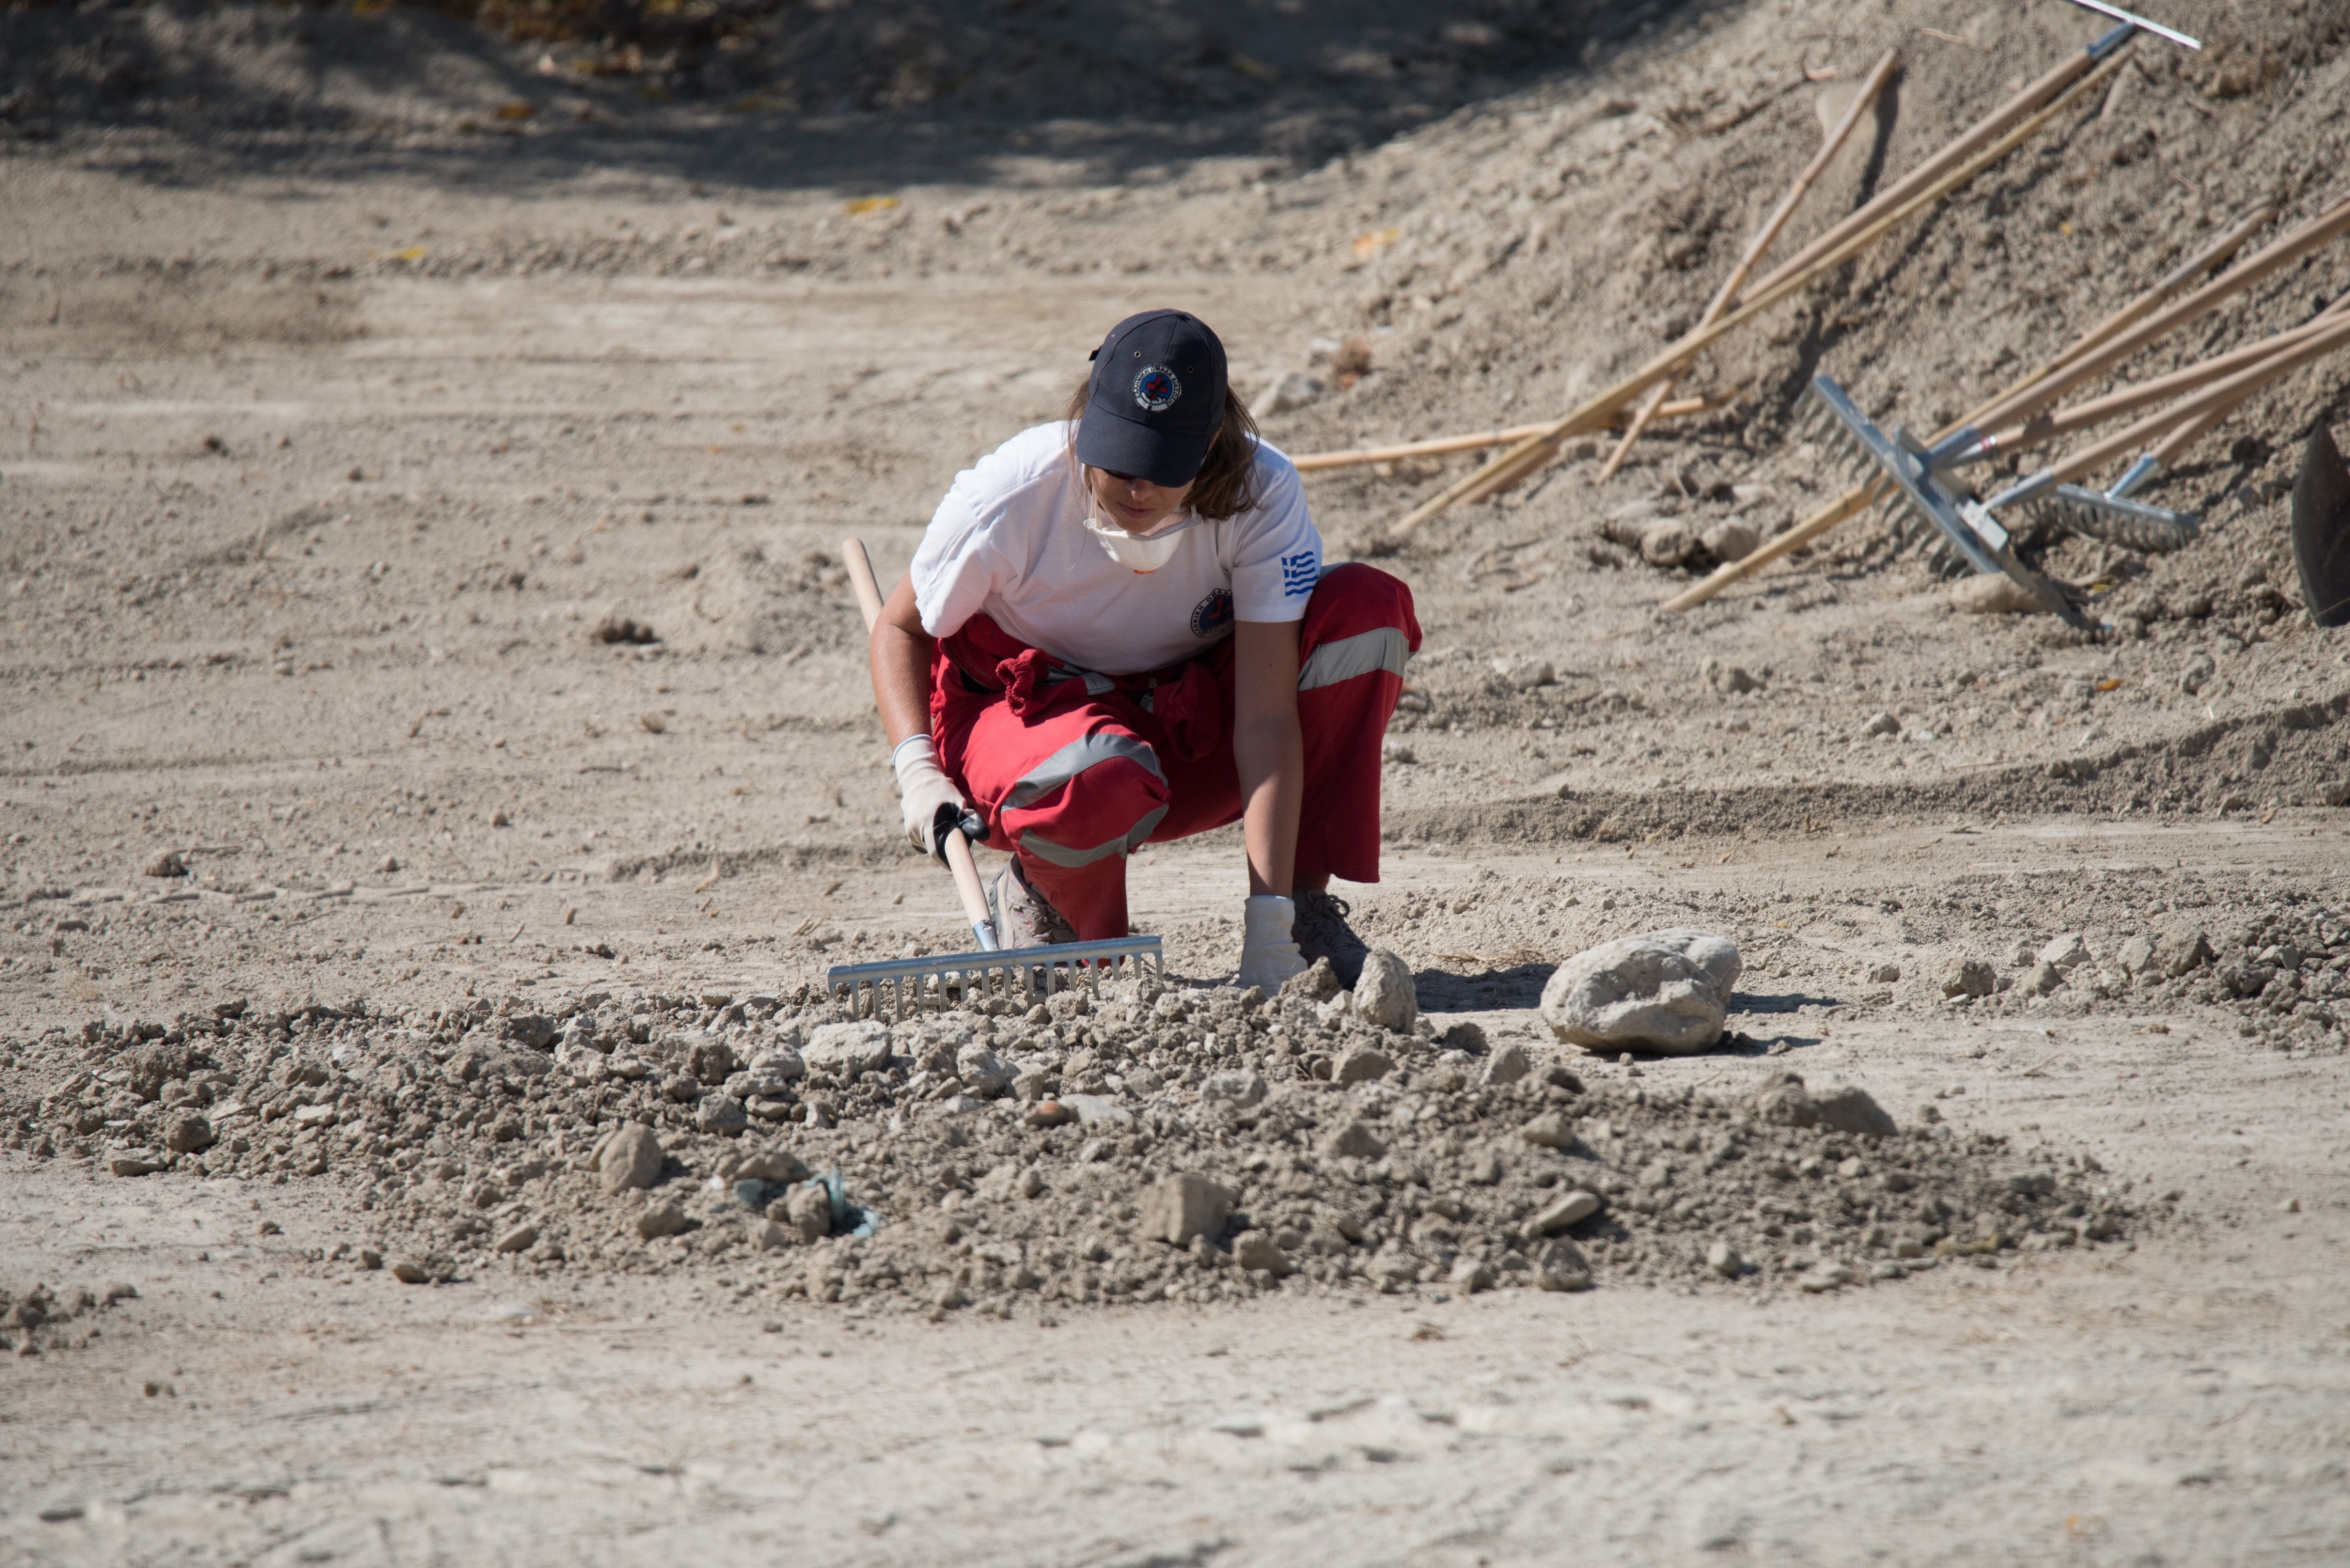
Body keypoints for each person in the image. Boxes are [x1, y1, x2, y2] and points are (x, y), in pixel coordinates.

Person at [866, 308, 1419, 992]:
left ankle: (1301, 915)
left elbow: (1269, 719)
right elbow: (900, 626)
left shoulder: (1262, 492)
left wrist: (1266, 921)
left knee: (1365, 612)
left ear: (1213, 445)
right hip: (1035, 734)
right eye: (1119, 458)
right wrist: (916, 768)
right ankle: (1048, 896)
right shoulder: (1009, 495)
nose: (1137, 488)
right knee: (1095, 769)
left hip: (1188, 729)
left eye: (1161, 467)